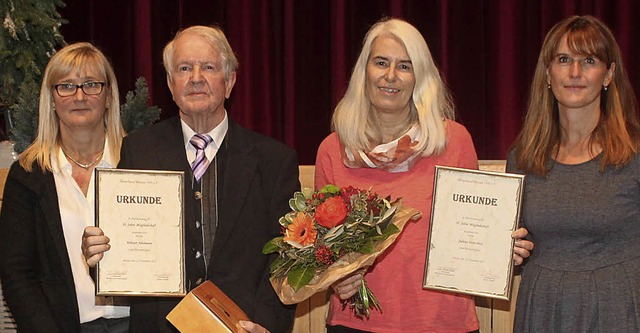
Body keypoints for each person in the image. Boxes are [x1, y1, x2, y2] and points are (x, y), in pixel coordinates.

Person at [315, 18, 533, 333]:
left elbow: (475, 229)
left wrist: (500, 251)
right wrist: (337, 275)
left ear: (421, 78)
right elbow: (324, 249)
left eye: (405, 66)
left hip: (443, 323)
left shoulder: (452, 141)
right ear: (364, 71)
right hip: (358, 323)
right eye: (381, 63)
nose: (391, 76)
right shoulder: (333, 150)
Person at [82, 25, 299, 333]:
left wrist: (265, 326)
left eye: (208, 67)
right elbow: (125, 251)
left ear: (229, 81)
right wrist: (101, 257)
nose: (196, 77)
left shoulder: (274, 161)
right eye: (184, 68)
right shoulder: (139, 150)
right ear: (171, 85)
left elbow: (286, 258)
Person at [507, 15, 640, 332]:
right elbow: (512, 247)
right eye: (564, 59)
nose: (575, 73)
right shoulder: (522, 158)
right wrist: (504, 253)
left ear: (608, 74)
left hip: (619, 309)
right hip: (541, 310)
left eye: (589, 60)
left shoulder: (635, 154)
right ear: (548, 74)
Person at [0, 43, 129, 332]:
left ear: (108, 96)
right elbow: (17, 275)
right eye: (67, 86)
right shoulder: (28, 175)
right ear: (52, 99)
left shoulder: (140, 162)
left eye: (91, 85)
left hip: (140, 324)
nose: (80, 96)